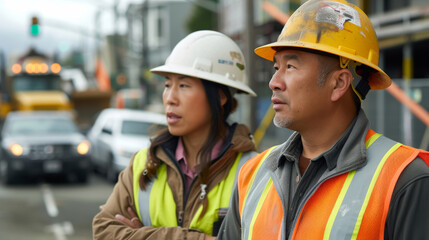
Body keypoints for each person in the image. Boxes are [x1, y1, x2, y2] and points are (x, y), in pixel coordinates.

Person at [216, 0, 429, 239]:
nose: (274, 82)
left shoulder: (404, 179)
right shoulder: (253, 175)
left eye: (291, 67)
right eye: (277, 67)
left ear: (339, 83)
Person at [92, 30, 258, 240]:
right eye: (167, 85)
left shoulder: (253, 172)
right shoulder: (142, 164)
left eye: (183, 85)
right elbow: (103, 230)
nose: (170, 98)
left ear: (220, 96)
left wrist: (140, 234)